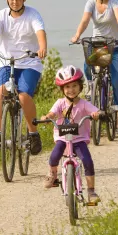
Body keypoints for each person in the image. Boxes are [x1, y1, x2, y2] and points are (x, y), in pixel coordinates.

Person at [0, 0, 48, 154]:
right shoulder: (1, 15)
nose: (15, 2)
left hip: (29, 63)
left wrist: (42, 48)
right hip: (6, 61)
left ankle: (33, 134)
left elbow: (40, 32)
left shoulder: (33, 14)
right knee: (1, 91)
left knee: (24, 96)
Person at [69, 0, 118, 133]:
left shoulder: (115, 1)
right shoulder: (90, 3)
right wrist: (77, 35)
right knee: (87, 65)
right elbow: (84, 21)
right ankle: (92, 88)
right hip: (99, 46)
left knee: (116, 81)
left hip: (116, 46)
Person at [39, 65, 102, 204]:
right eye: (67, 87)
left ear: (80, 87)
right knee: (54, 155)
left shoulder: (84, 104)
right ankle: (53, 175)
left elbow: (94, 110)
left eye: (74, 86)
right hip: (63, 137)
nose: (71, 89)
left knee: (87, 160)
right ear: (62, 89)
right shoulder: (60, 103)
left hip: (79, 139)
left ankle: (91, 191)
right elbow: (53, 113)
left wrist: (96, 114)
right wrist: (47, 117)